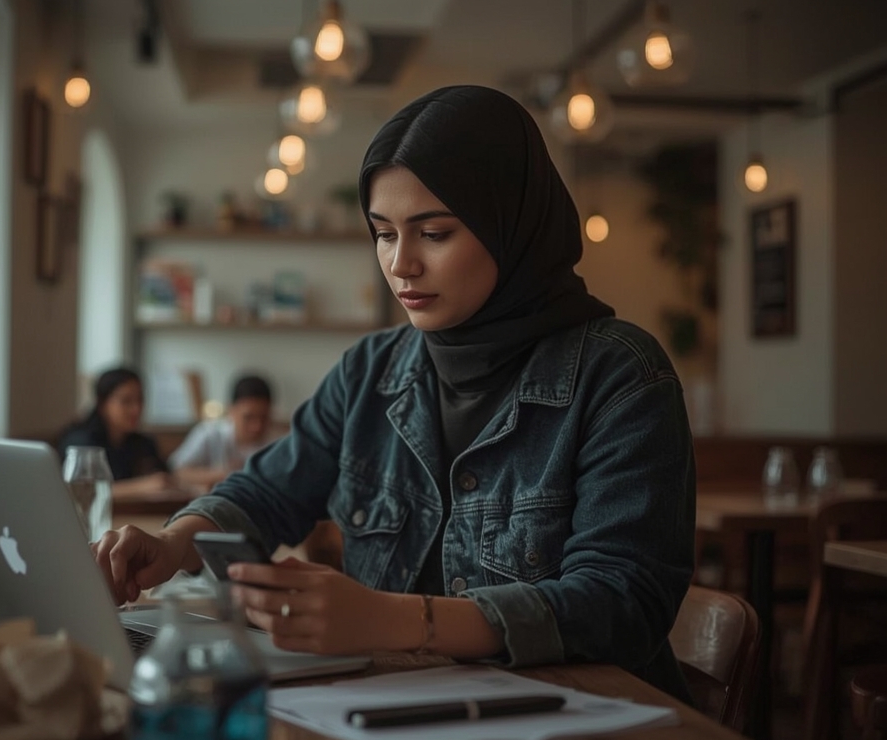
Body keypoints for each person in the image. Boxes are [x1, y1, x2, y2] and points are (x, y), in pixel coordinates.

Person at [94, 85, 696, 701]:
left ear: (512, 227)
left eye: (433, 233)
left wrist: (394, 620)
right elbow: (270, 489)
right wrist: (173, 544)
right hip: (397, 710)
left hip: (585, 730)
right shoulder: (370, 370)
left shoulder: (619, 374)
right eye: (384, 233)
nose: (401, 264)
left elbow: (623, 603)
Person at [58, 367, 171, 501]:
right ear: (103, 403)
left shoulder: (143, 443)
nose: (136, 409)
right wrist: (142, 487)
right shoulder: (81, 443)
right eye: (126, 401)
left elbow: (164, 478)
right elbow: (80, 491)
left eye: (140, 400)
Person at [168, 374, 274, 490]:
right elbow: (177, 471)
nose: (256, 426)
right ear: (231, 410)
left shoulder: (277, 443)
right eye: (248, 417)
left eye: (263, 418)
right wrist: (223, 475)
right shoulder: (209, 433)